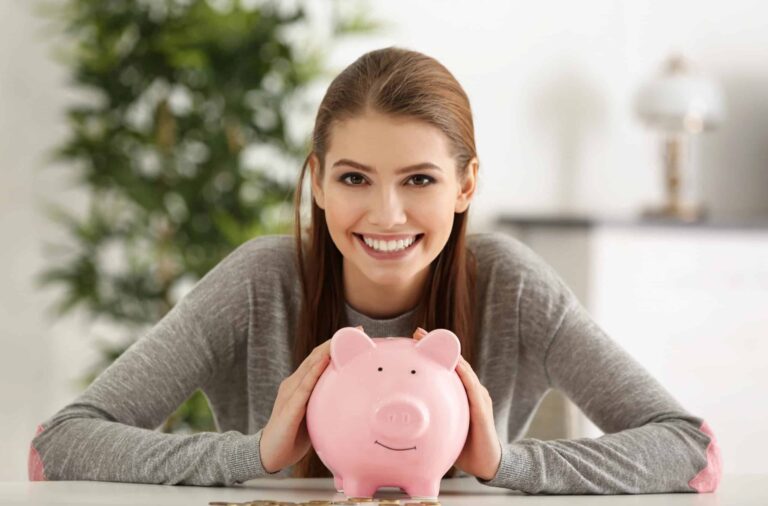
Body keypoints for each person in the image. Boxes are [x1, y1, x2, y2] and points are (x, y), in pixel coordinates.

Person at [28, 46, 722, 495]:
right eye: (355, 178)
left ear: (466, 185)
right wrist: (254, 454)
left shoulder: (507, 284)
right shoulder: (260, 282)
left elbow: (690, 449)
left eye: (419, 180)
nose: (386, 216)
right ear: (320, 183)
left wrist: (505, 466)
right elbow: (60, 444)